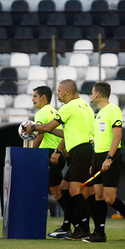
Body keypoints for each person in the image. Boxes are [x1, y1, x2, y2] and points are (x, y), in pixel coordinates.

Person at [26, 79, 94, 240]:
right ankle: (70, 225)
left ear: (67, 92)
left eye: (58, 91)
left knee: (74, 191)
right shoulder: (84, 106)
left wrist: (33, 127)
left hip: (78, 152)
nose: (57, 94)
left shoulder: (67, 107)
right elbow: (63, 132)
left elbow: (46, 129)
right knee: (64, 188)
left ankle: (82, 227)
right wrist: (58, 149)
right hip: (75, 151)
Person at [83, 82, 125, 243]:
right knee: (98, 196)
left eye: (92, 93)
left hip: (111, 157)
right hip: (98, 157)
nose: (91, 96)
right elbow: (99, 138)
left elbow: (117, 136)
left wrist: (109, 158)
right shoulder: (99, 113)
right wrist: (95, 161)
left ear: (98, 94)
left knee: (109, 198)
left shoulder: (113, 110)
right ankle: (100, 233)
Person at [30, 86, 71, 238]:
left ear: (43, 98)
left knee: (57, 191)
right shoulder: (55, 112)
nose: (32, 99)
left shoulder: (42, 113)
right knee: (58, 189)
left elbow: (39, 135)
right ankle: (70, 221)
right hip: (58, 153)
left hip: (49, 154)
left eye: (35, 96)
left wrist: (31, 154)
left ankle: (72, 221)